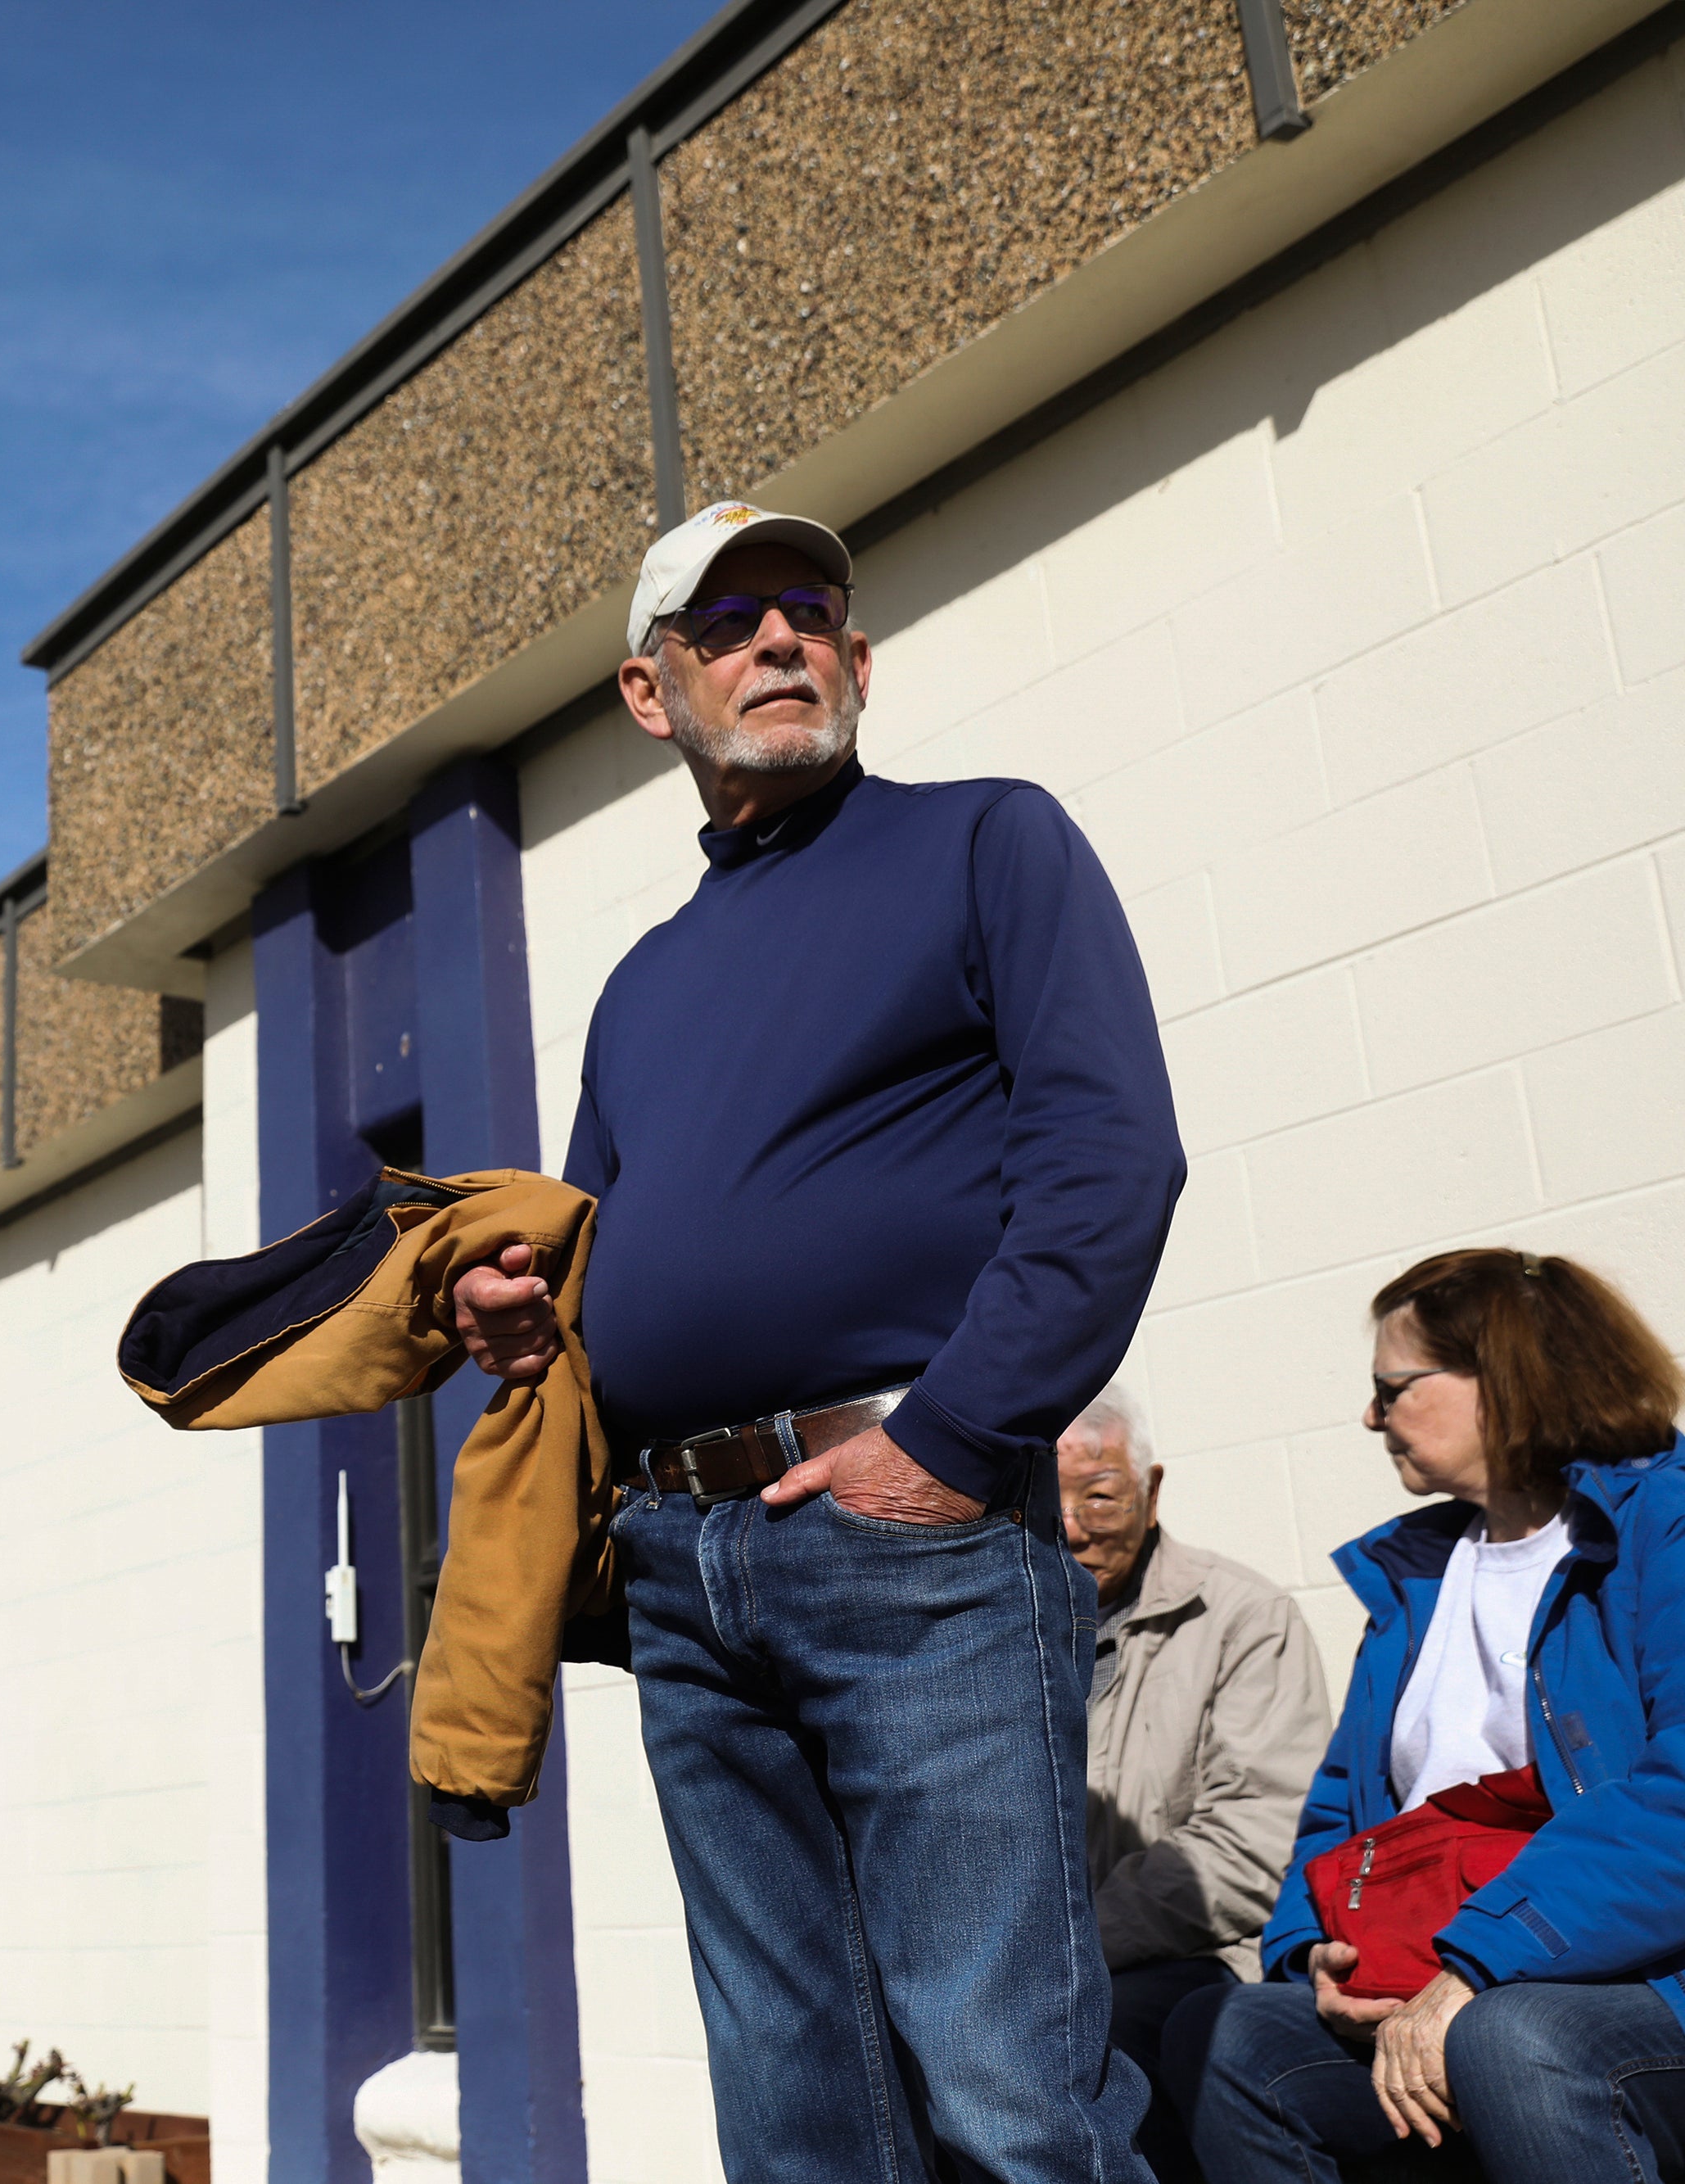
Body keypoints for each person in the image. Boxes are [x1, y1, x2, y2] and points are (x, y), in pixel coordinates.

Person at [453, 500, 1186, 2181]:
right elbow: (597, 1249)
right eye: (725, 622)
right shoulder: (639, 984)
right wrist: (520, 1310)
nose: (774, 638)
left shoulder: (989, 842)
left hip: (906, 1536)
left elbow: (1108, 1158)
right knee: (792, 2115)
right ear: (652, 693)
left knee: (1009, 2097)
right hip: (682, 1566)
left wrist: (942, 1439)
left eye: (806, 611)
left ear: (855, 661)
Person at [1168, 1249, 1685, 2182]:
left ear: (1502, 1380)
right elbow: (1341, 1811)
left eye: (1391, 1387)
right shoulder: (1416, 1577)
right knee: (1231, 2031)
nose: (1371, 1416)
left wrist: (1481, 1965)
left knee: (1512, 2037)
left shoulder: (1663, 1527)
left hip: (1639, 1976)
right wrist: (1312, 1955)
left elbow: (1677, 1797)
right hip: (1464, 1967)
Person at [1059, 1381, 1330, 2178]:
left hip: (1198, 1953)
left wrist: (1072, 1948)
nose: (1071, 1528)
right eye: (1049, 1501)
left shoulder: (1241, 1615)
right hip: (1048, 1965)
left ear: (1151, 1490)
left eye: (1099, 1496)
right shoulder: (995, 1634)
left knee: (1103, 2044)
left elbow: (1256, 1840)